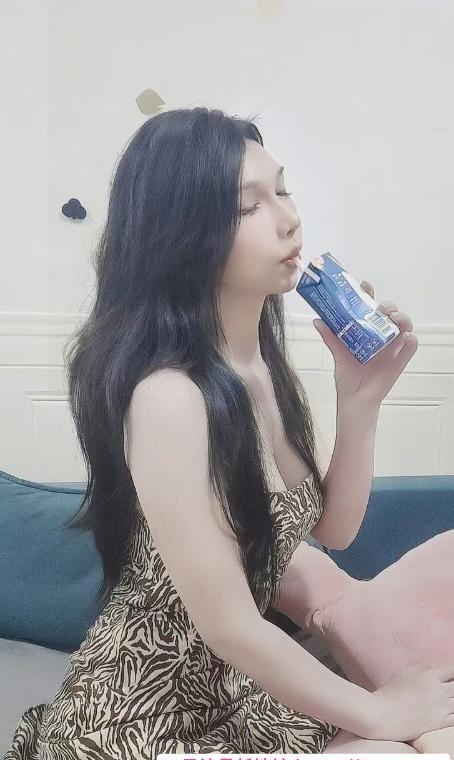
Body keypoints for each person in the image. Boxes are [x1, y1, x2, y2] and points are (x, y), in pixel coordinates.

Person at [5, 107, 454, 759]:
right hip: (138, 718)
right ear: (182, 233)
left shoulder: (259, 368)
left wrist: (359, 401)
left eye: (284, 190)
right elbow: (229, 626)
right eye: (250, 205)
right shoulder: (168, 396)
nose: (288, 218)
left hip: (235, 696)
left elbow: (334, 531)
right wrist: (379, 711)